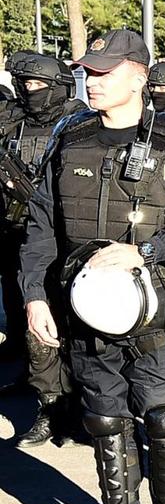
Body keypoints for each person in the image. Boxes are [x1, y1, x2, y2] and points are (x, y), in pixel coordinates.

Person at [21, 29, 165, 504]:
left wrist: (146, 252)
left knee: (163, 414)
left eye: (105, 72)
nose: (92, 81)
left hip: (156, 308)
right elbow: (41, 226)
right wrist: (35, 296)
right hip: (82, 310)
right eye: (88, 72)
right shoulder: (71, 138)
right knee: (103, 416)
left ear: (139, 77)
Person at [1, 52, 88, 444]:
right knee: (37, 326)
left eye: (36, 84)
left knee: (79, 328)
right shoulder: (13, 122)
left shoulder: (79, 122)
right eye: (23, 84)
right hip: (21, 235)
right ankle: (49, 407)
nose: (28, 90)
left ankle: (86, 408)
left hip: (69, 239)